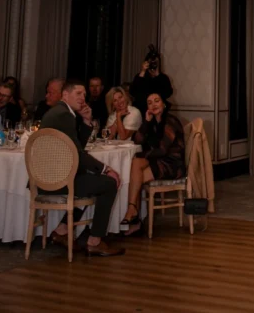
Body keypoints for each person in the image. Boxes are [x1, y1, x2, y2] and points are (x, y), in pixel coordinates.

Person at [40, 81, 124, 258]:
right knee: (109, 183)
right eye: (78, 93)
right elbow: (77, 154)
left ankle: (62, 231)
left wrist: (86, 121)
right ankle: (95, 241)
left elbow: (75, 148)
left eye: (84, 95)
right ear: (65, 95)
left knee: (89, 179)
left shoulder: (62, 112)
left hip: (49, 178)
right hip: (56, 181)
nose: (83, 98)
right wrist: (106, 168)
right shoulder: (64, 115)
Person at [120, 92, 185, 234]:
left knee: (134, 177)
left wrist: (142, 155)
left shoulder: (170, 121)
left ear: (164, 104)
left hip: (173, 164)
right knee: (136, 170)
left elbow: (162, 150)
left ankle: (133, 215)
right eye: (150, 102)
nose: (153, 104)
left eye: (157, 101)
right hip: (159, 161)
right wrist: (146, 122)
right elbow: (137, 140)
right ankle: (133, 212)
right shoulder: (153, 122)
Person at [130, 50, 172, 116]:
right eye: (151, 62)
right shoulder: (140, 76)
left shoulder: (163, 78)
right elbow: (133, 92)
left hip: (158, 112)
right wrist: (143, 71)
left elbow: (167, 93)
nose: (153, 64)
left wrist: (158, 75)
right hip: (141, 110)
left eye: (155, 62)